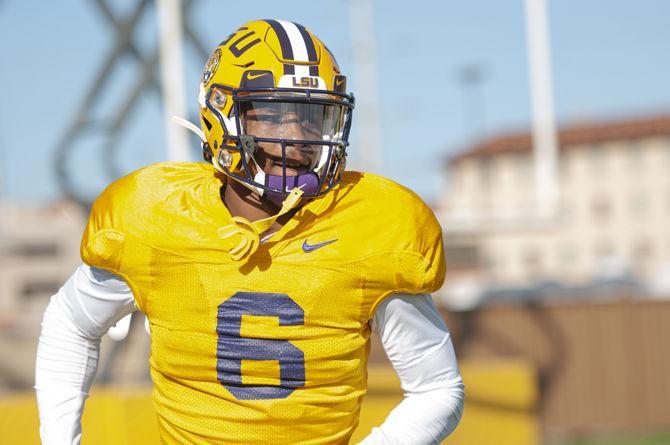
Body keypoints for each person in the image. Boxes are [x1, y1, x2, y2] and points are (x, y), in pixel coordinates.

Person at [35, 19, 464, 444]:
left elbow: (437, 389)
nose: (298, 136)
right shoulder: (158, 215)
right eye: (276, 116)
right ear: (222, 116)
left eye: (315, 117)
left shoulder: (372, 225)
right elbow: (69, 324)